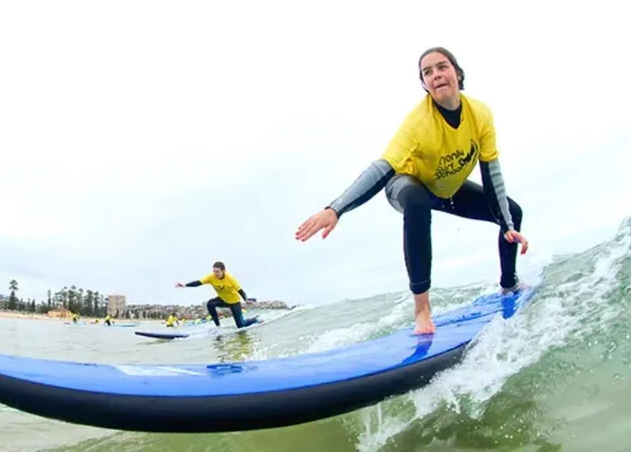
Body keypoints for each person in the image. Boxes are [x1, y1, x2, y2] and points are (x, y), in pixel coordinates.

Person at [294, 47, 529, 335]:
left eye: (441, 67)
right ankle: (422, 310)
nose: (436, 75)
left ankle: (509, 284)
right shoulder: (418, 124)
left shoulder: (480, 114)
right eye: (427, 73)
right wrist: (336, 208)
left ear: (457, 73)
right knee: (417, 201)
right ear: (424, 85)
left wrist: (505, 224)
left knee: (512, 213)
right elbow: (381, 169)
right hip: (407, 184)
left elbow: (491, 173)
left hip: (447, 188)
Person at [175, 261, 254, 328]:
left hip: (234, 302)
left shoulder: (230, 278)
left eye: (217, 271)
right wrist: (185, 285)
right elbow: (199, 282)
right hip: (223, 300)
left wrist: (245, 299)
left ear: (223, 270)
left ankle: (255, 320)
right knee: (210, 303)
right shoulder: (211, 277)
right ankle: (218, 326)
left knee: (241, 325)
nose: (215, 273)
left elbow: (240, 290)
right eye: (214, 271)